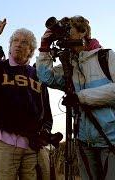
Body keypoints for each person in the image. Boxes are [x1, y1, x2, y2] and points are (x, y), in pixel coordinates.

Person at [0, 18, 53, 180]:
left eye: (24, 42)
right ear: (10, 46)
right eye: (15, 41)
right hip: (3, 143)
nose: (19, 44)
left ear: (31, 50)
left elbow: (45, 111)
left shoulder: (37, 75)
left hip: (33, 147)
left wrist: (45, 132)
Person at [37, 15, 115, 180]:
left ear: (83, 32)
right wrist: (44, 48)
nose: (65, 35)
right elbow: (45, 77)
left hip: (110, 140)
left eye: (68, 31)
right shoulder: (70, 65)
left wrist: (81, 97)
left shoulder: (106, 58)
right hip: (83, 142)